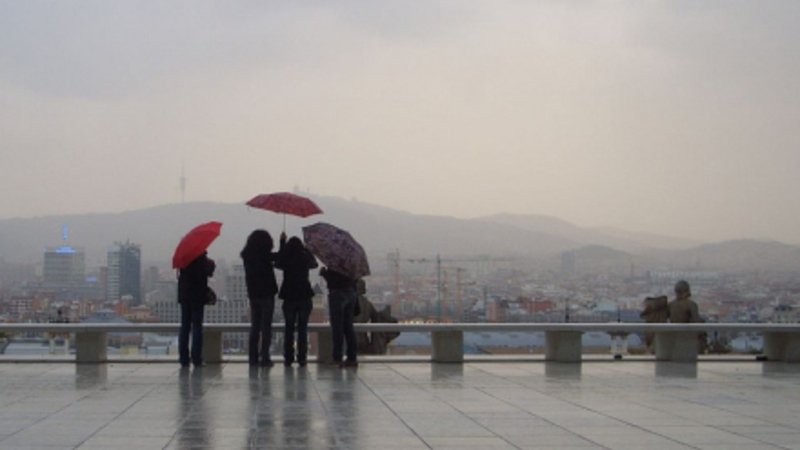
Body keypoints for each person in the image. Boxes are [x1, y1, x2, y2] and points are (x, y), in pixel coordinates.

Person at [276, 236, 318, 366]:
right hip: (304, 295)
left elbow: (278, 262)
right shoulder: (304, 257)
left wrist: (282, 243)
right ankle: (302, 357)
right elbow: (314, 264)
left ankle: (288, 357)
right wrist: (307, 249)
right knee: (302, 328)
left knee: (289, 328)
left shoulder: (286, 258)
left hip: (289, 296)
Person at [241, 230, 279, 367]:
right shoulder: (265, 256)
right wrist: (282, 241)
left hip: (253, 294)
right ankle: (265, 357)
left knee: (255, 326)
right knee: (266, 326)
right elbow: (279, 256)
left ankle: (253, 357)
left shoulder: (247, 256)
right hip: (267, 294)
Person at [178, 251, 215, 368]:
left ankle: (184, 358)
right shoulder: (201, 259)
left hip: (185, 296)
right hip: (197, 296)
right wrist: (211, 263)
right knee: (197, 327)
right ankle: (196, 358)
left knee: (185, 327)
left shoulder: (183, 258)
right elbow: (209, 272)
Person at [320, 267, 358, 368]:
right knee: (349, 327)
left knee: (337, 327)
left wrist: (324, 273)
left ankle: (337, 358)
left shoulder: (335, 263)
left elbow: (333, 280)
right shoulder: (352, 263)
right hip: (351, 293)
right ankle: (352, 358)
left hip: (337, 294)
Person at [668, 280, 706, 353]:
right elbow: (697, 323)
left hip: (674, 338)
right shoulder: (691, 305)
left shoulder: (671, 305)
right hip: (689, 338)